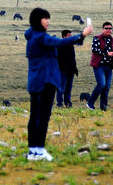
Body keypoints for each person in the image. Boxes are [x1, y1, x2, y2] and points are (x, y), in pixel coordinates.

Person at [25, 8, 92, 161]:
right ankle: (39, 151)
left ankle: (33, 151)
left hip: (35, 81)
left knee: (35, 116)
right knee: (43, 117)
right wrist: (82, 35)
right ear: (37, 20)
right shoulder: (41, 38)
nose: (48, 21)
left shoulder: (32, 36)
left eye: (48, 18)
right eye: (44, 18)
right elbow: (61, 43)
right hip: (46, 81)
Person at [87, 21, 113, 111]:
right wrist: (107, 53)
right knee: (101, 84)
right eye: (106, 28)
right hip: (99, 65)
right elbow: (94, 50)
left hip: (109, 66)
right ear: (102, 29)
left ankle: (103, 107)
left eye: (110, 28)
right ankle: (90, 102)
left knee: (107, 87)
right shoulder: (97, 38)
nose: (108, 30)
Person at [56, 29, 78, 108]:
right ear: (64, 36)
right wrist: (62, 69)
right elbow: (58, 59)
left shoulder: (71, 45)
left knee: (68, 89)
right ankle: (59, 104)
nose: (71, 37)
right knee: (61, 88)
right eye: (69, 36)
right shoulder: (60, 46)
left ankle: (67, 103)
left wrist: (75, 69)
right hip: (63, 71)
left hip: (71, 70)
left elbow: (73, 58)